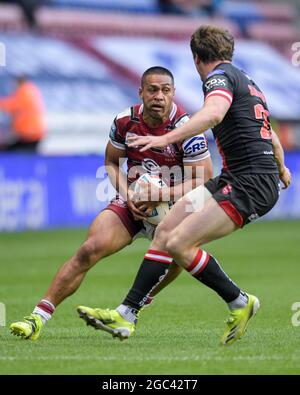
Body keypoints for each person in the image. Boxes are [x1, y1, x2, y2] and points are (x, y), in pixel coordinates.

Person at [79, 26, 292, 345]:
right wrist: (282, 167)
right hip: (237, 177)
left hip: (249, 184)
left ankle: (239, 301)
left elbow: (214, 113)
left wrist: (164, 137)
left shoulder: (218, 79)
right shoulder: (247, 81)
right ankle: (126, 313)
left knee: (179, 243)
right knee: (166, 232)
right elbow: (270, 133)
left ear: (196, 58)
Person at [9, 66, 213, 340]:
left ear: (173, 93)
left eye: (166, 90)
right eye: (152, 89)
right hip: (133, 204)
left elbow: (204, 179)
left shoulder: (187, 129)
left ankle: (132, 309)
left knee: (178, 258)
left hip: (174, 208)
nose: (159, 96)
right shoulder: (124, 121)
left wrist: (161, 196)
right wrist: (128, 196)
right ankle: (37, 318)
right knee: (88, 249)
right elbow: (111, 162)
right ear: (141, 91)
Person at [0, 75, 46, 152]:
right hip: (33, 133)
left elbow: (9, 105)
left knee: (11, 153)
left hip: (28, 134)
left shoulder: (24, 92)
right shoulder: (31, 90)